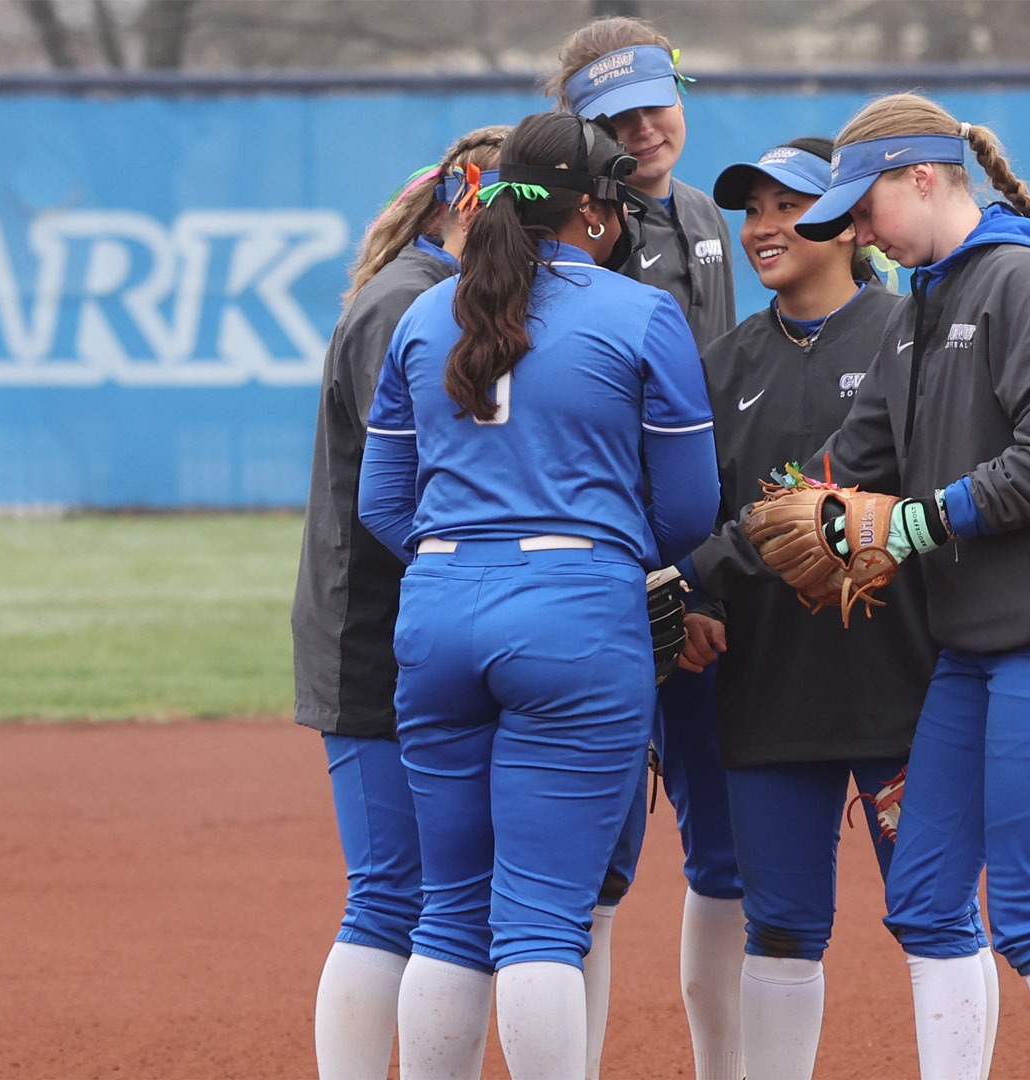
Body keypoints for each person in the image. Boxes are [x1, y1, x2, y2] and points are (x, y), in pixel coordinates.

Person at [760, 92, 1030, 1080]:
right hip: (974, 653)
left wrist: (924, 521)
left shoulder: (1022, 280)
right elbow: (856, 462)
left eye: (864, 206)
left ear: (922, 179)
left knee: (1029, 912)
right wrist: (778, 522)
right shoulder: (924, 300)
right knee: (926, 899)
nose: (855, 231)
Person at [356, 110, 719, 1080]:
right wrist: (593, 559)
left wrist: (465, 555)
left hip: (437, 608)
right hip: (575, 613)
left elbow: (383, 505)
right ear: (598, 212)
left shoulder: (425, 314)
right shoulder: (642, 314)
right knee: (542, 922)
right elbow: (689, 511)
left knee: (449, 911)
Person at [681, 137, 1001, 1080]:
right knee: (779, 926)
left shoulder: (913, 332)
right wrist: (693, 592)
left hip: (901, 680)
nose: (765, 228)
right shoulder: (722, 364)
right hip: (769, 680)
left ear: (849, 222)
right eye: (752, 212)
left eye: (790, 207)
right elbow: (696, 510)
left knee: (937, 913)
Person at [547, 17, 743, 1080]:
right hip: (617, 573)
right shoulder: (591, 228)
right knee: (591, 865)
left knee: (725, 849)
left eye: (653, 103)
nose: (641, 129)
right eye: (612, 119)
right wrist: (666, 572)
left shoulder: (709, 215)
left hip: (698, 563)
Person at [290, 124, 507, 1080]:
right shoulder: (404, 307)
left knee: (432, 894)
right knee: (390, 893)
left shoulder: (428, 296)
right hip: (375, 633)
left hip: (416, 624)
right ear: (471, 204)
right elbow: (416, 490)